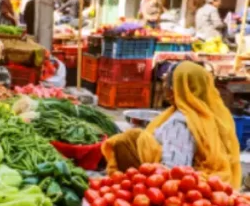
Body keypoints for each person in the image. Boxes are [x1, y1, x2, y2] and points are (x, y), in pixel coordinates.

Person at [102, 61, 241, 188]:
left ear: (178, 87)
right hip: (211, 182)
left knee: (125, 140)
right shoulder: (216, 115)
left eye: (167, 81)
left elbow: (175, 169)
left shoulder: (180, 122)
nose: (164, 86)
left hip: (177, 187)